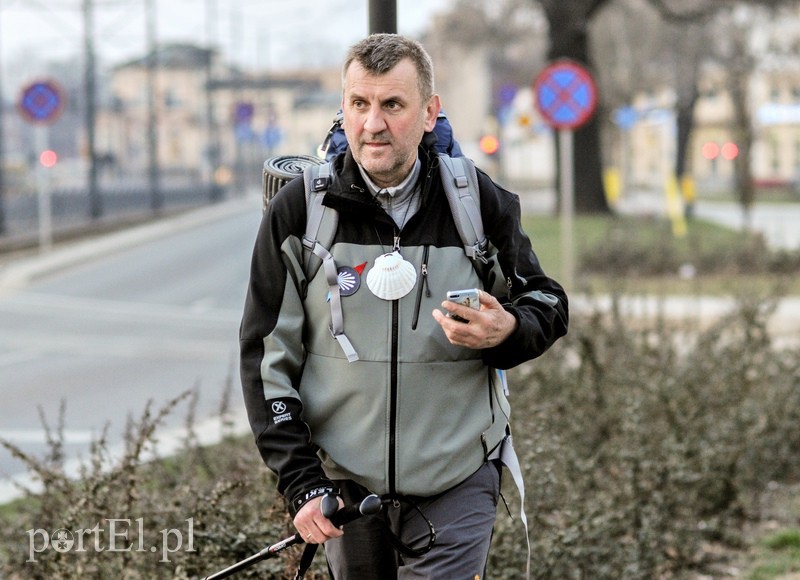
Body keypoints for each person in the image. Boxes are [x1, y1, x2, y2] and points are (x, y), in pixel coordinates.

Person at [239, 33, 569, 578]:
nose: (373, 124)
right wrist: (301, 481)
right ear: (342, 109)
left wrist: (508, 329)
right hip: (344, 486)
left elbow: (548, 301)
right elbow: (263, 361)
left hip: (457, 481)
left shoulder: (477, 204)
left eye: (393, 104)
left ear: (428, 112)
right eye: (359, 104)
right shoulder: (300, 214)